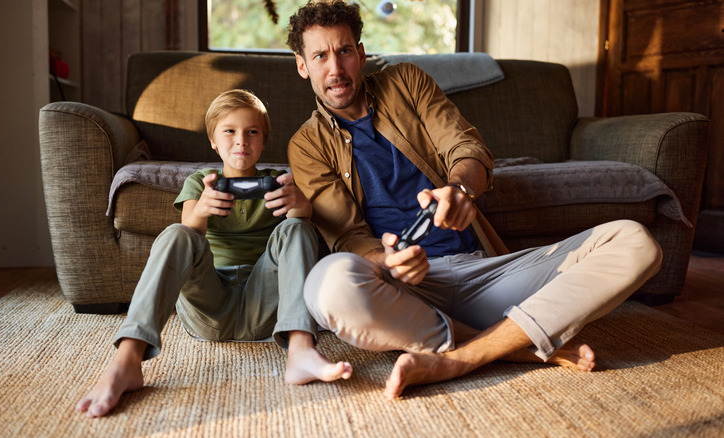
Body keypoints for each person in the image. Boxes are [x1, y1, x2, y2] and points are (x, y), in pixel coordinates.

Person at [285, 0, 662, 400]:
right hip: (404, 293)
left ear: (360, 54)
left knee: (634, 241)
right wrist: (387, 262)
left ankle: (459, 357)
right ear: (302, 65)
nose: (335, 69)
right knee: (327, 285)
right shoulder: (307, 144)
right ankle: (518, 348)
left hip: (487, 277)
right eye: (320, 56)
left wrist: (461, 189)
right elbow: (346, 236)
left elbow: (466, 147)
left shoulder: (406, 82)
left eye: (344, 51)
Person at [76, 89, 352, 418]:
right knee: (180, 233)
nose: (241, 141)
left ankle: (300, 349)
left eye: (252, 132)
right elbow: (189, 229)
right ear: (213, 140)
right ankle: (127, 361)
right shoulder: (201, 182)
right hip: (210, 306)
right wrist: (201, 211)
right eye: (229, 131)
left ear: (263, 141)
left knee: (298, 228)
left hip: (263, 305)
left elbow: (299, 238)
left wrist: (300, 208)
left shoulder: (280, 182)